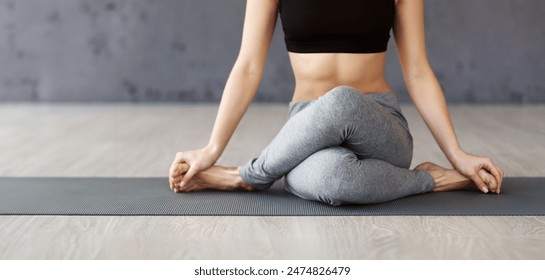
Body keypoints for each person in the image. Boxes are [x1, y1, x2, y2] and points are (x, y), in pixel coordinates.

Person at [168, 0, 504, 206]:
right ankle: (430, 179)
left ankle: (245, 176)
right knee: (336, 182)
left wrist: (456, 153)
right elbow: (248, 66)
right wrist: (212, 149)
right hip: (307, 131)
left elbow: (417, 72)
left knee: (341, 100)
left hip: (378, 125)